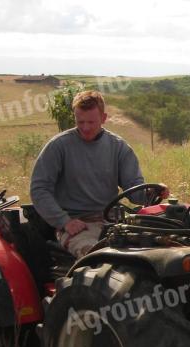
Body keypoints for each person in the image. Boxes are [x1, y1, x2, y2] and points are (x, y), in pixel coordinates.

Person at [30, 90, 168, 257]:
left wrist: (153, 192)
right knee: (98, 257)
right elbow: (39, 189)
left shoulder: (118, 147)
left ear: (104, 118)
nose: (85, 128)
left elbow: (135, 191)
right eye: (80, 122)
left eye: (91, 122)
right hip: (78, 225)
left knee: (157, 249)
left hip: (113, 221)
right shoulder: (59, 146)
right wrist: (64, 221)